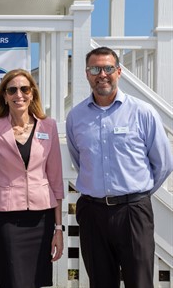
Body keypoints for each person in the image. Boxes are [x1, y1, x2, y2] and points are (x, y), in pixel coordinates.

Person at [66, 46, 173, 288]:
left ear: (119, 72)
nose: (101, 74)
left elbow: (163, 163)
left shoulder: (143, 112)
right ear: (86, 74)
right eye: (95, 68)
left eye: (108, 68)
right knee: (101, 282)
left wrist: (135, 194)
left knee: (140, 282)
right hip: (92, 213)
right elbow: (79, 160)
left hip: (133, 212)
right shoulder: (76, 117)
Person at [0, 69, 65, 287]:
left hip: (41, 220)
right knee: (13, 282)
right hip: (6, 221)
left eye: (24, 89)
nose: (19, 94)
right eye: (12, 90)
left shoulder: (49, 127)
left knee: (36, 281)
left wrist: (59, 229)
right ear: (4, 96)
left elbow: (56, 181)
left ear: (32, 93)